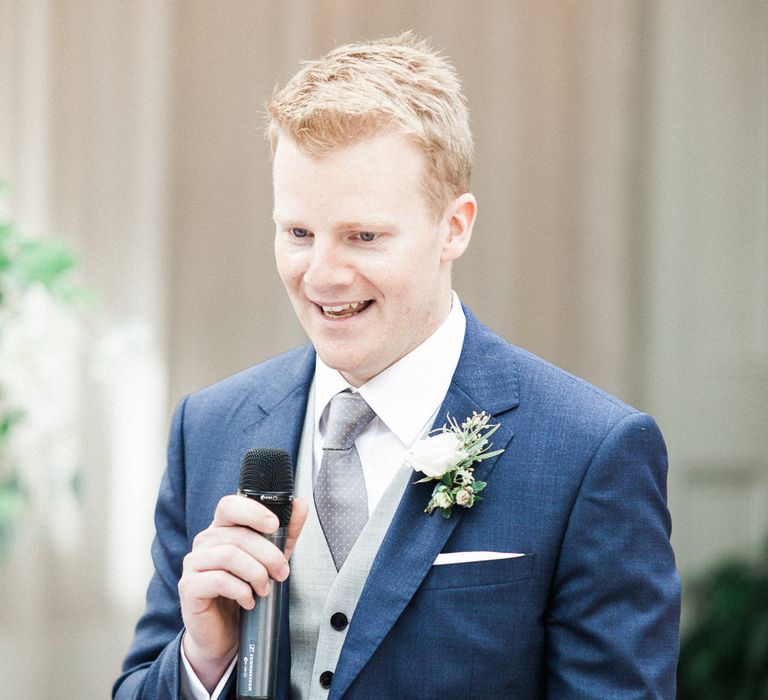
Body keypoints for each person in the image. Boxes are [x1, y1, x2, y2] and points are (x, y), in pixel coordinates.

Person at [114, 33, 680, 699]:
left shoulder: (592, 452)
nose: (321, 274)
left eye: (363, 236)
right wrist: (203, 661)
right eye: (298, 232)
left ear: (454, 227)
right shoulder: (206, 428)